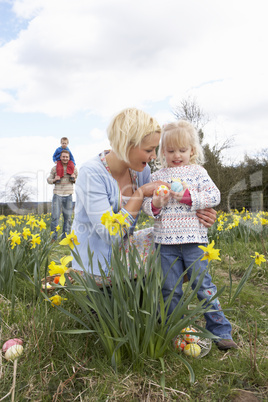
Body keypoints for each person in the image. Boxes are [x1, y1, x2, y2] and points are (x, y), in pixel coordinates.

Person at [71, 108, 217, 282]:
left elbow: (157, 207)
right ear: (126, 145)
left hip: (124, 250)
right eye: (149, 150)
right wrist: (139, 193)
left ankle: (158, 297)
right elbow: (111, 235)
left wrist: (198, 213)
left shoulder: (141, 170)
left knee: (183, 240)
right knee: (171, 247)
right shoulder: (91, 173)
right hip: (96, 264)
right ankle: (125, 292)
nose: (154, 156)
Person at [142, 120, 237, 350]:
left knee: (203, 286)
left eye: (182, 150)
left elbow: (214, 197)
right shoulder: (158, 175)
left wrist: (188, 197)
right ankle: (174, 330)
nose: (176, 155)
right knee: (169, 289)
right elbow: (146, 206)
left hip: (194, 242)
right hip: (165, 244)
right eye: (171, 150)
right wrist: (155, 203)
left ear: (192, 150)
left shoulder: (198, 172)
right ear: (162, 151)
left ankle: (221, 331)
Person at [47, 149, 78, 241]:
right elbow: (48, 180)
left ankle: (65, 238)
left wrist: (74, 178)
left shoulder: (74, 169)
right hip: (57, 195)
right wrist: (54, 180)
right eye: (63, 157)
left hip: (68, 195)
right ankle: (53, 238)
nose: (65, 158)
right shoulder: (54, 168)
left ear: (69, 158)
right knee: (55, 217)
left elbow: (79, 181)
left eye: (66, 157)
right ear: (60, 157)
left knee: (67, 218)